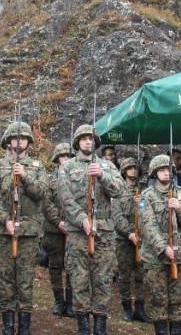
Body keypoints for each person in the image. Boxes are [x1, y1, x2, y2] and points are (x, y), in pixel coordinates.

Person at [57, 124, 125, 335]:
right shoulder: (66, 168)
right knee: (79, 281)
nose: (88, 141)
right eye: (84, 138)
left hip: (104, 233)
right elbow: (65, 199)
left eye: (91, 138)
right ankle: (83, 328)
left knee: (103, 281)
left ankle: (100, 328)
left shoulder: (107, 165)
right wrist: (81, 219)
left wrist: (103, 176)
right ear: (77, 142)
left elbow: (120, 191)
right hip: (78, 234)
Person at [0, 120, 47, 335]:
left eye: (22, 138)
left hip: (28, 233)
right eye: (14, 138)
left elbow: (41, 194)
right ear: (8, 141)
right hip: (4, 231)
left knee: (25, 280)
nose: (18, 142)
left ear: (28, 142)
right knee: (4, 279)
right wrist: (6, 220)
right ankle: (8, 325)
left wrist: (25, 176)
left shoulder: (38, 167)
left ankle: (24, 327)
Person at [140, 154, 181, 335]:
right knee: (158, 298)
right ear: (154, 173)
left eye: (168, 170)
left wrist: (179, 208)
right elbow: (147, 225)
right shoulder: (146, 196)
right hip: (155, 257)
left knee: (178, 299)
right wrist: (162, 247)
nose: (166, 173)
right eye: (162, 170)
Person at [111, 158, 150, 323]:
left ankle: (140, 308)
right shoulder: (118, 191)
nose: (133, 170)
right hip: (123, 239)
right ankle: (127, 308)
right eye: (130, 168)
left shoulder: (143, 191)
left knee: (141, 275)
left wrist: (140, 204)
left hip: (141, 238)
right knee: (124, 275)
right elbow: (117, 216)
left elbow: (148, 213)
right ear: (124, 171)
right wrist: (129, 233)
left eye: (135, 168)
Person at [42, 143, 75, 317]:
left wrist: (71, 223)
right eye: (62, 156)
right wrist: (58, 222)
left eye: (68, 156)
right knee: (55, 266)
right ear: (56, 159)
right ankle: (58, 301)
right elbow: (46, 204)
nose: (65, 159)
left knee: (72, 266)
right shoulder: (49, 179)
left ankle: (70, 302)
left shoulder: (78, 179)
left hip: (74, 229)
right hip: (53, 230)